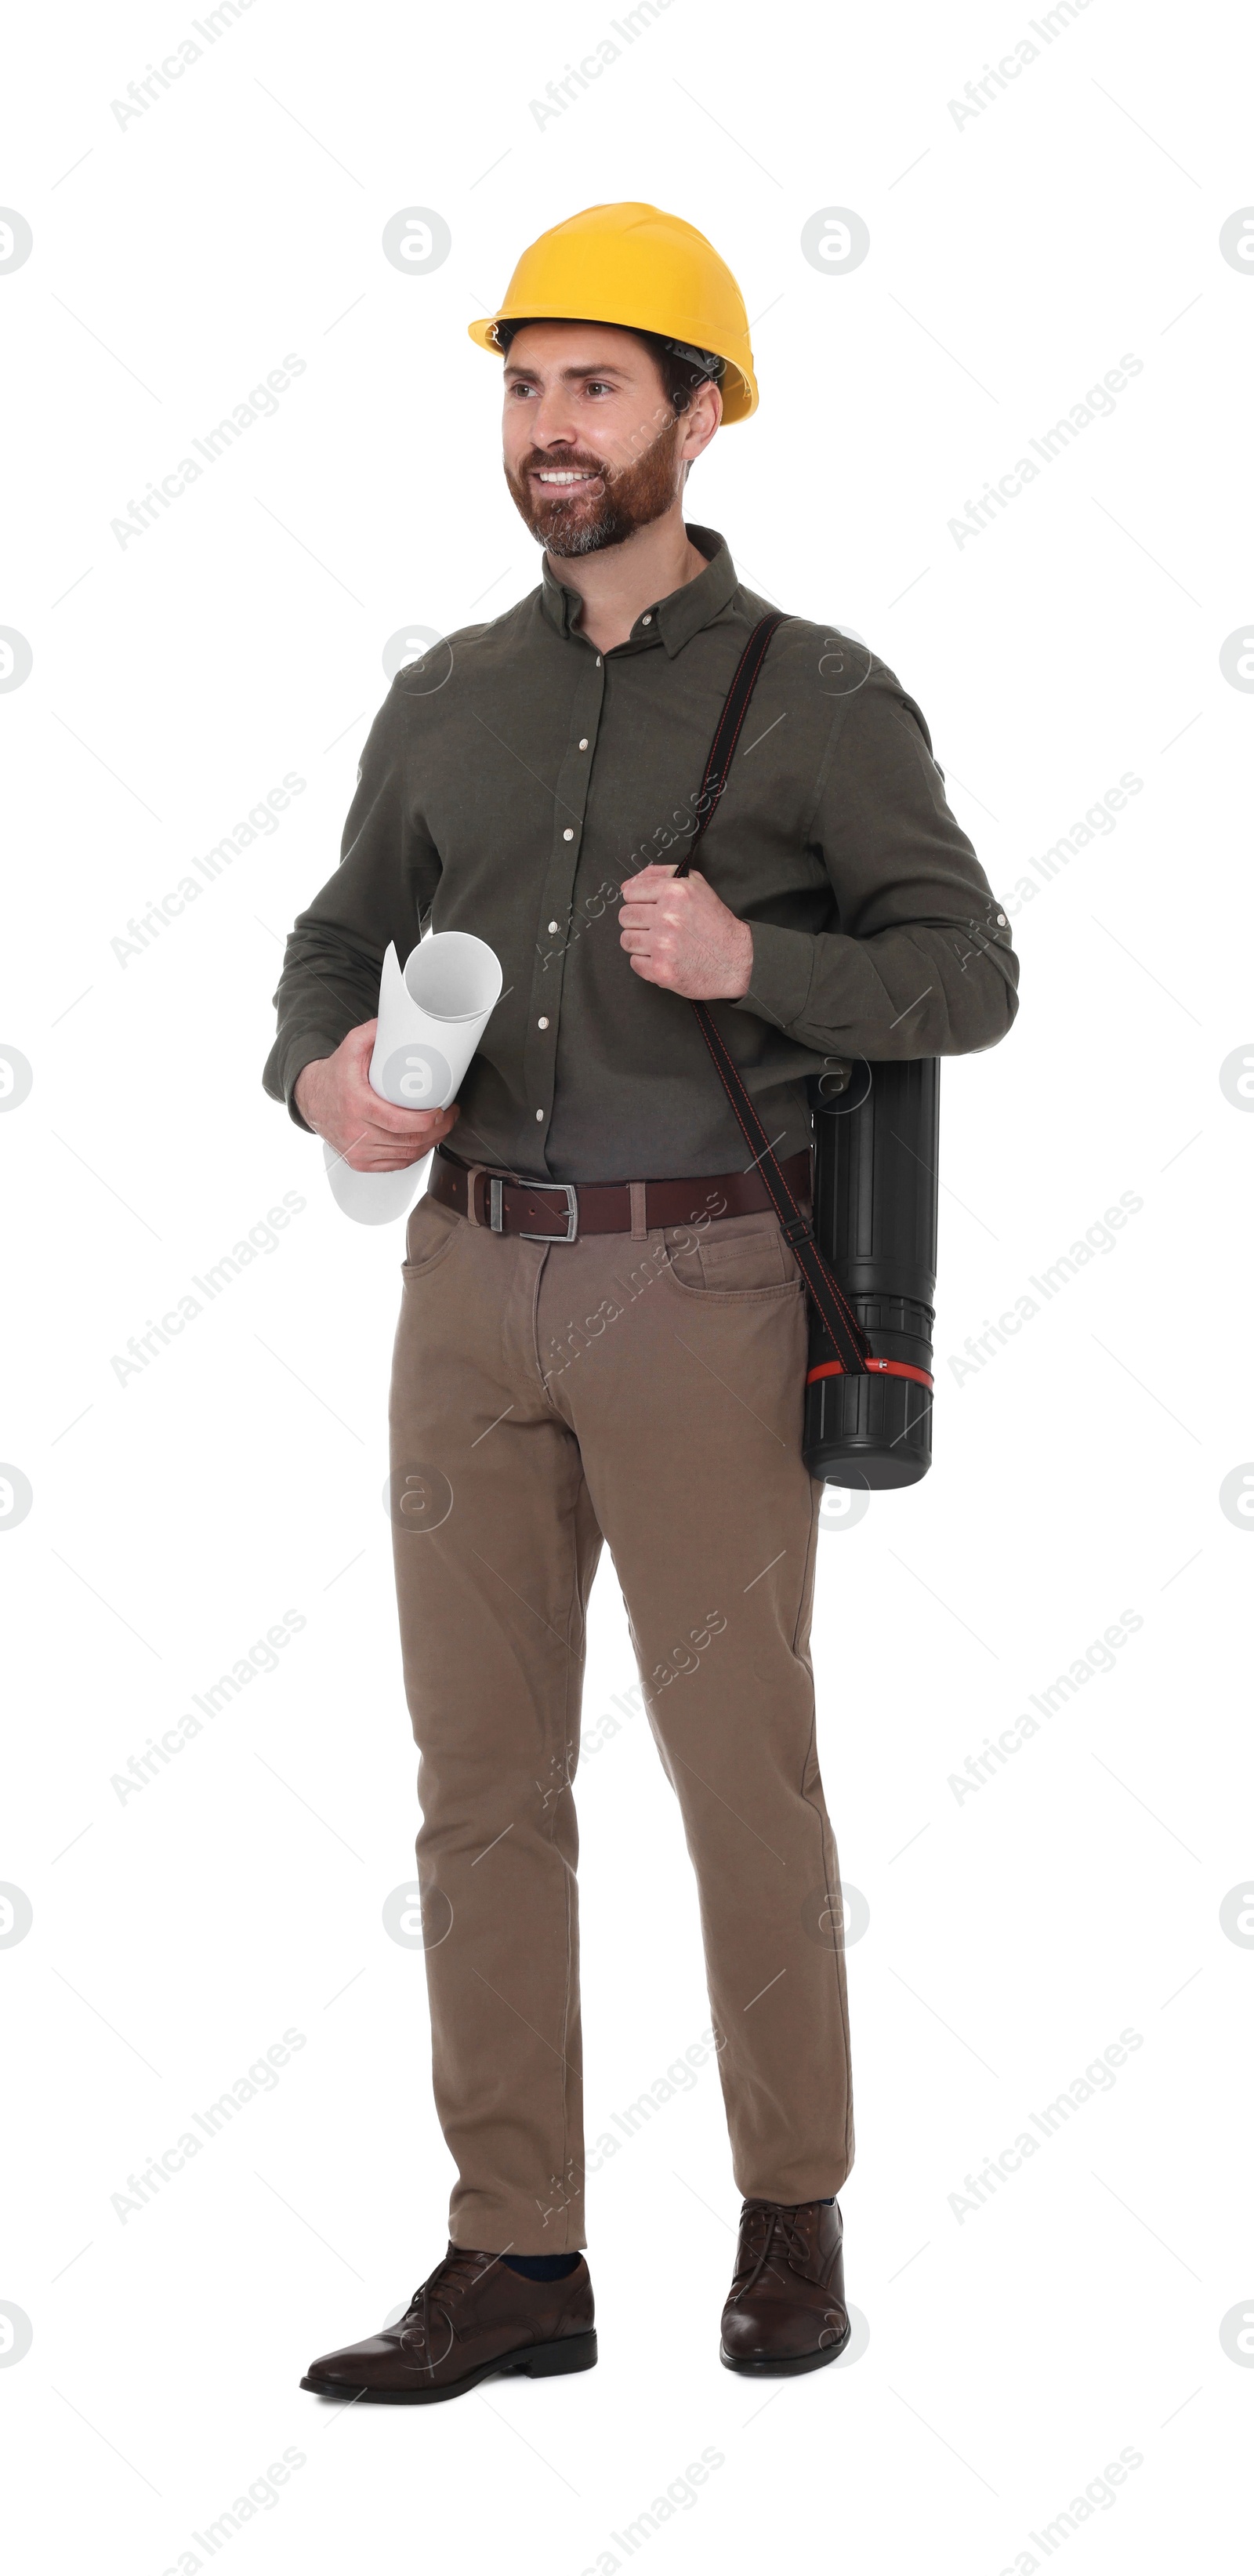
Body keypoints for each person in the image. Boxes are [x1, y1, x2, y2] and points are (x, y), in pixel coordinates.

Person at [263, 201, 1019, 2402]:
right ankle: (519, 2262)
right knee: (476, 1786)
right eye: (523, 386)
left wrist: (757, 963)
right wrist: (320, 1071)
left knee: (736, 1772)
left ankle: (793, 2216)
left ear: (702, 410)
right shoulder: (453, 697)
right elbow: (333, 940)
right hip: (468, 1285)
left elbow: (969, 976)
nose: (552, 427)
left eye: (597, 384)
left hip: (705, 1287)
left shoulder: (825, 701)